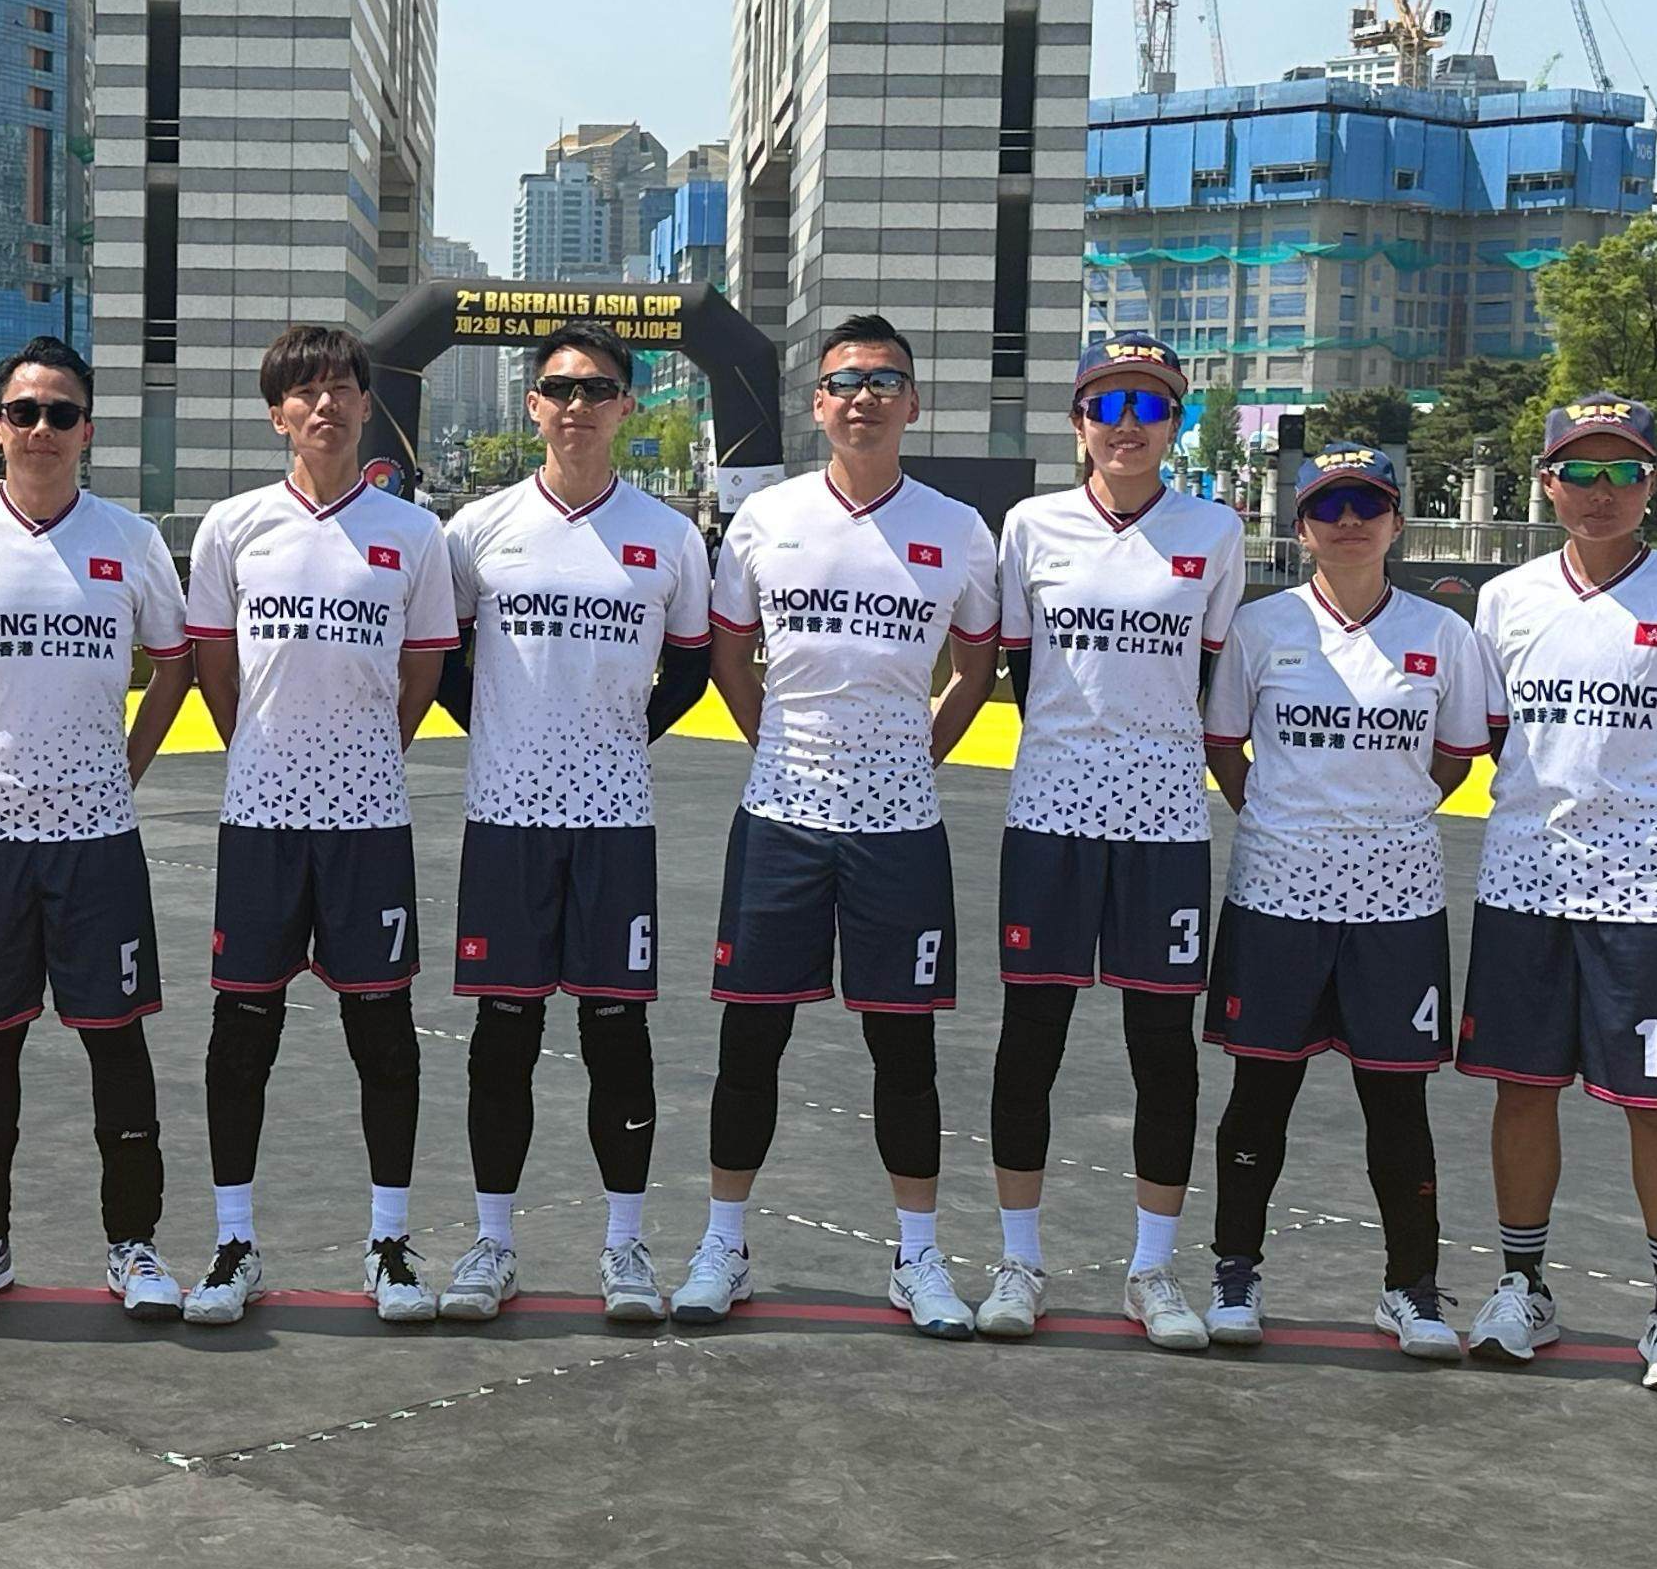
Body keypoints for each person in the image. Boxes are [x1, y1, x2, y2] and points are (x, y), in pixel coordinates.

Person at [675, 313, 1002, 1338]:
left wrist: (914, 755)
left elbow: (975, 667)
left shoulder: (956, 528)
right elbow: (729, 659)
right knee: (749, 1039)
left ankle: (915, 1258)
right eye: (844, 380)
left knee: (902, 1051)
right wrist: (774, 744)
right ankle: (722, 1244)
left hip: (899, 825)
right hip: (780, 814)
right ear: (816, 404)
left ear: (913, 403)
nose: (862, 395)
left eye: (883, 380)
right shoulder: (763, 519)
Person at [1457, 396, 1657, 1393]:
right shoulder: (1503, 600)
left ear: (1650, 481)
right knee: (1521, 1087)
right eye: (1576, 472)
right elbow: (1495, 735)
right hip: (1521, 880)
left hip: (1646, 894)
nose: (1598, 492)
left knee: (1654, 1101)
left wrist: (1642, 820)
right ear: (1543, 481)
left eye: (1619, 472)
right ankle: (1520, 1285)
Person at [0, 337, 194, 1323]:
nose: (41, 430)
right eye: (24, 412)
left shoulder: (132, 540)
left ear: (86, 430)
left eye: (60, 413)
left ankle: (134, 1246)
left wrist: (129, 763)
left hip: (97, 838)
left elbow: (173, 664)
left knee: (116, 1044)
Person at [178, 323, 459, 1326]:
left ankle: (388, 1241)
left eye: (342, 387)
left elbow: (420, 673)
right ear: (277, 414)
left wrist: (357, 753)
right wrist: (264, 745)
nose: (325, 405)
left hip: (366, 821)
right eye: (305, 391)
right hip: (258, 818)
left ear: (363, 404)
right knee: (238, 1035)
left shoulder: (412, 534)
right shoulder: (231, 527)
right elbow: (215, 669)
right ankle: (232, 1242)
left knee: (380, 1034)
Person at [435, 322, 714, 1325]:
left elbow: (686, 665)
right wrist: (501, 729)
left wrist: (622, 734)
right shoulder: (474, 531)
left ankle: (625, 1246)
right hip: (504, 817)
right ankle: (491, 1242)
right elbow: (445, 657)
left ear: (625, 407)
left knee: (616, 1033)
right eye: (559, 388)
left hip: (612, 819)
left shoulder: (669, 536)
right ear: (531, 404)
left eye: (597, 389)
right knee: (501, 1034)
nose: (576, 405)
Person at [981, 332, 1246, 1345]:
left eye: (1151, 408)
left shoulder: (1212, 531)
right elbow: (1016, 663)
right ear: (1077, 421)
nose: (1128, 426)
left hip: (1164, 825)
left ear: (1174, 423)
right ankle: (1017, 1260)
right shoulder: (1030, 526)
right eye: (1109, 406)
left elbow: (1210, 669)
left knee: (1159, 1052)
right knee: (1029, 1042)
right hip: (1048, 817)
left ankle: (1149, 1270)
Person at [1203, 445, 1494, 1362]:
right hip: (1275, 896)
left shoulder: (1442, 634)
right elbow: (1224, 749)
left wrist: (1385, 819)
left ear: (1397, 522)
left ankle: (1409, 1289)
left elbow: (1454, 756)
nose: (1350, 522)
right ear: (1301, 527)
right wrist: (1288, 822)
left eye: (1369, 504)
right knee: (1259, 1095)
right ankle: (1235, 1272)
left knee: (1395, 1107)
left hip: (1397, 905)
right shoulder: (1262, 627)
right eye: (1329, 507)